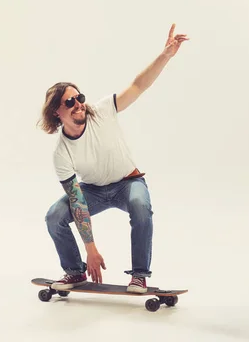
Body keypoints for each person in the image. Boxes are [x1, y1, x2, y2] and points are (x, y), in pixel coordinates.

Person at [37, 24, 188, 293]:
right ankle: (74, 271)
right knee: (54, 216)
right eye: (70, 102)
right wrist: (90, 250)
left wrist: (166, 55)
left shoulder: (103, 110)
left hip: (127, 183)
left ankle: (139, 275)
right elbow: (77, 201)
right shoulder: (61, 152)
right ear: (57, 113)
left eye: (79, 98)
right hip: (92, 191)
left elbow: (138, 85)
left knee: (141, 206)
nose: (79, 104)